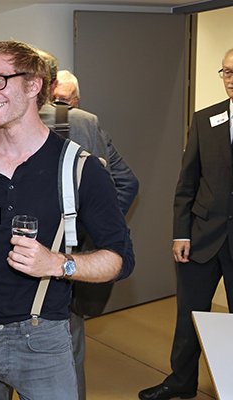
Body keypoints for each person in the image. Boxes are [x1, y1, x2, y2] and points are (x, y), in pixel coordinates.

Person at [0, 40, 134, 400]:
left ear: (33, 84)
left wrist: (57, 264)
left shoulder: (80, 168)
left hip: (43, 340)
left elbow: (119, 259)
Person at [138, 48, 233, 400]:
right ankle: (181, 381)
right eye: (226, 72)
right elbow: (187, 182)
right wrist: (181, 233)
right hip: (202, 236)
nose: (231, 80)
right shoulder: (205, 120)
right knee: (189, 315)